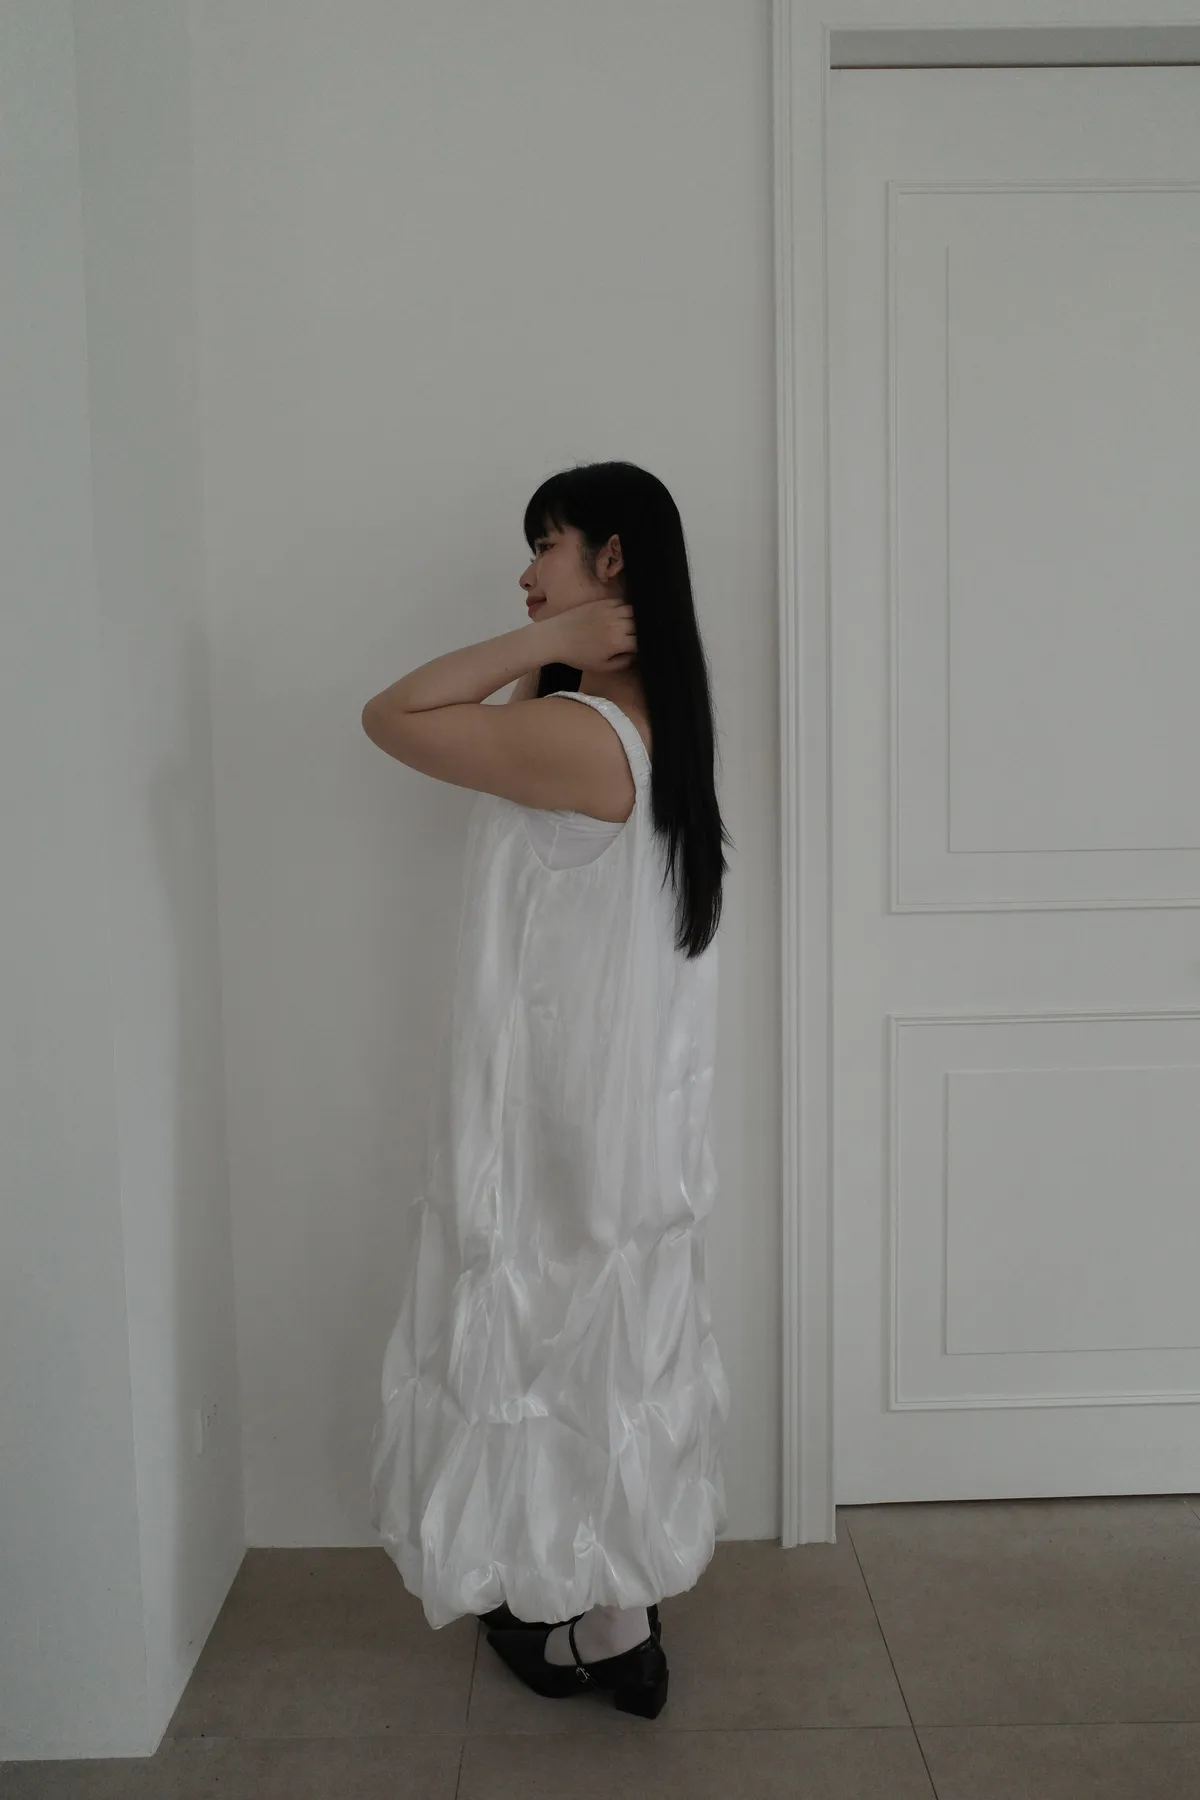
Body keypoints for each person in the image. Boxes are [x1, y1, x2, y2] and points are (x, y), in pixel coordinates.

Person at [363, 460, 731, 1720]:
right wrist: (565, 648)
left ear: (612, 559)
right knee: (606, 1360)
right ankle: (622, 1616)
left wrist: (547, 645)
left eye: (548, 546)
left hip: (555, 1126)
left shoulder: (581, 738)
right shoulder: (654, 729)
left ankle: (607, 1636)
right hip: (621, 1123)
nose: (525, 575)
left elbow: (392, 715)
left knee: (555, 1359)